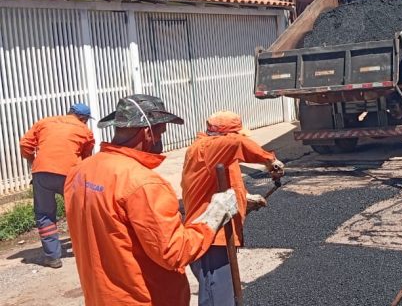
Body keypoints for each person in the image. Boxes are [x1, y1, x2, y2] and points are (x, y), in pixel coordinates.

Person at [63, 94, 239, 306]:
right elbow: (175, 252)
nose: (161, 141)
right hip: (144, 299)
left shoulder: (81, 171)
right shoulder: (143, 184)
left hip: (101, 297)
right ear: (147, 133)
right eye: (161, 133)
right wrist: (214, 215)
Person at [181, 110, 285, 306]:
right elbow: (237, 144)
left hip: (220, 236)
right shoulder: (204, 149)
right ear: (225, 135)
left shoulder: (219, 156)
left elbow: (222, 186)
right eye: (237, 134)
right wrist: (270, 161)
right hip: (209, 240)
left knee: (226, 297)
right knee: (218, 299)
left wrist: (245, 200)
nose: (240, 140)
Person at [19, 103, 95, 268]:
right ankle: (81, 250)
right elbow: (87, 159)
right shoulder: (85, 131)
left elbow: (25, 145)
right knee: (77, 212)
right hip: (69, 174)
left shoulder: (45, 122)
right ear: (84, 119)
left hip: (41, 173)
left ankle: (53, 257)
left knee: (44, 215)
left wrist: (33, 162)